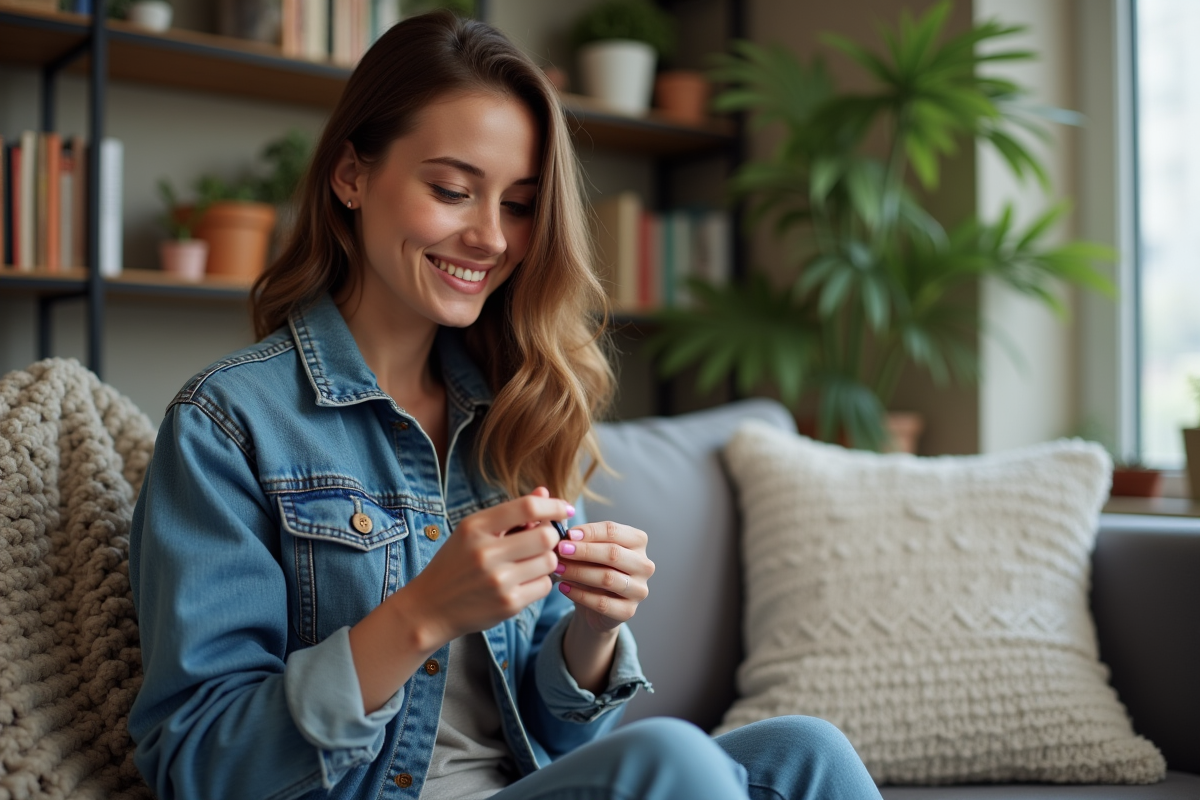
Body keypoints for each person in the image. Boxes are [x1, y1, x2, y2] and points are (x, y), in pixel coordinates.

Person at [127, 10, 884, 800]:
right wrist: (419, 615)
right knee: (676, 762)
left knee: (809, 750)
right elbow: (199, 763)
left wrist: (593, 633)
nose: (491, 237)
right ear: (351, 175)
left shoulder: (518, 412)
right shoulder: (230, 424)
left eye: (520, 205)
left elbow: (561, 740)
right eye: (452, 190)